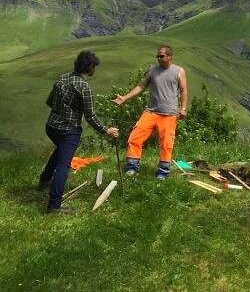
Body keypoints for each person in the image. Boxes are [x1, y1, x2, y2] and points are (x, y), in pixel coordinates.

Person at [39, 50, 119, 213]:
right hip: (69, 131)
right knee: (63, 165)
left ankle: (44, 181)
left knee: (59, 152)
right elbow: (90, 116)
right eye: (94, 67)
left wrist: (64, 111)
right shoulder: (84, 87)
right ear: (90, 67)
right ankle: (54, 205)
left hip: (51, 127)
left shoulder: (62, 78)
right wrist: (106, 131)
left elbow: (49, 102)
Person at [112, 45, 187, 180]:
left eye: (161, 56)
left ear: (169, 56)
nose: (158, 58)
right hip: (151, 112)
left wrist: (183, 108)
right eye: (157, 56)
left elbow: (183, 90)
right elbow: (141, 86)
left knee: (166, 144)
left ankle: (162, 172)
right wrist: (124, 98)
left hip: (169, 114)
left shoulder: (179, 71)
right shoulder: (153, 70)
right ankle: (132, 167)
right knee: (135, 137)